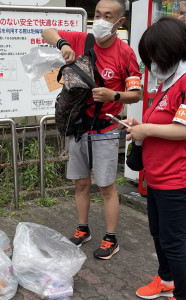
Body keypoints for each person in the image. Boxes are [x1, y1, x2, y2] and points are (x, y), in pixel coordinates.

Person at [124, 17, 186, 300]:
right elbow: (162, 124)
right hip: (159, 176)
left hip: (177, 179)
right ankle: (166, 281)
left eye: (152, 57)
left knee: (173, 241)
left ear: (169, 51)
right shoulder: (169, 81)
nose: (150, 64)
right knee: (158, 234)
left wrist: (145, 128)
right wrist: (141, 127)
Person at [42, 0, 142, 260]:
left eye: (107, 16)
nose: (100, 20)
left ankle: (111, 238)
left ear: (120, 23)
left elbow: (136, 94)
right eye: (97, 14)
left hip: (106, 130)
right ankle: (82, 228)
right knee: (80, 184)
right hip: (78, 127)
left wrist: (114, 95)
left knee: (107, 187)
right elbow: (47, 31)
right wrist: (62, 44)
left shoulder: (126, 53)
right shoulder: (82, 40)